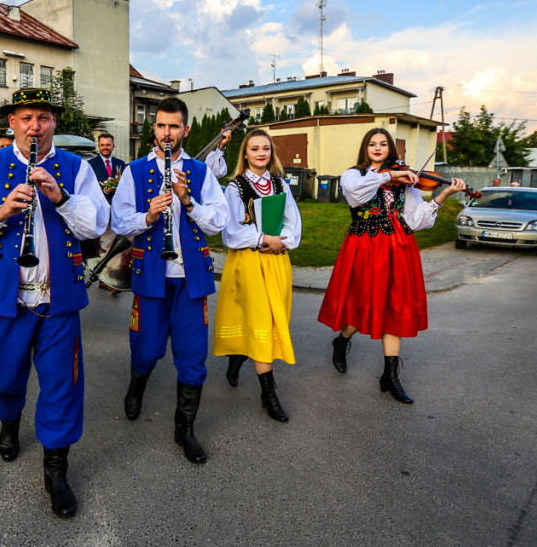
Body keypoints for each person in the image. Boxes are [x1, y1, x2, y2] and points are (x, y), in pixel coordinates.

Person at [0, 87, 109, 518]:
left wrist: (60, 198)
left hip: (57, 300)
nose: (34, 126)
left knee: (62, 385)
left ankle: (56, 473)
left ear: (54, 123)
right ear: (12, 122)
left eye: (42, 117)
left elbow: (97, 223)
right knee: (5, 378)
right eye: (26, 118)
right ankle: (9, 419)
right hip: (6, 298)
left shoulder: (76, 168)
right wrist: (1, 212)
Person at [111, 97, 228, 464]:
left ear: (185, 130)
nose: (166, 133)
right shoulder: (134, 171)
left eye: (173, 126)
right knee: (146, 349)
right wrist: (147, 217)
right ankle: (138, 382)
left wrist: (187, 201)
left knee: (193, 355)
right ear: (155, 129)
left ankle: (185, 428)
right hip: (152, 275)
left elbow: (219, 222)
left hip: (190, 277)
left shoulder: (200, 172)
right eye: (161, 126)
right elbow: (119, 221)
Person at [318, 128, 467, 404]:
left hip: (398, 245)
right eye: (372, 144)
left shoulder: (406, 181)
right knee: (362, 302)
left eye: (383, 144)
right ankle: (342, 340)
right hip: (364, 245)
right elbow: (355, 194)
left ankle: (390, 376)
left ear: (390, 149)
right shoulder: (355, 174)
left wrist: (442, 196)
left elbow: (415, 220)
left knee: (395, 306)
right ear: (365, 148)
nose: (377, 148)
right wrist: (391, 175)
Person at [213, 129, 302, 422]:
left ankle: (238, 358)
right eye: (254, 149)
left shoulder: (280, 183)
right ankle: (268, 394)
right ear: (245, 154)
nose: (261, 153)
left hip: (277, 261)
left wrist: (283, 240)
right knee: (260, 318)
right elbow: (231, 233)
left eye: (265, 148)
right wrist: (264, 238)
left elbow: (293, 221)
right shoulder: (235, 187)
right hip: (249, 261)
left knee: (271, 319)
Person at [87, 132, 126, 202]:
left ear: (113, 146)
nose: (105, 147)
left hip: (118, 205)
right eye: (102, 145)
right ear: (98, 146)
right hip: (99, 204)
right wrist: (105, 190)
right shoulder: (90, 164)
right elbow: (88, 186)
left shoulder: (121, 164)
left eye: (108, 145)